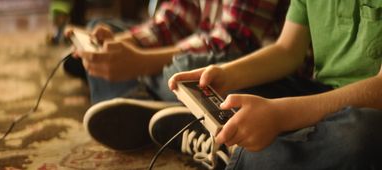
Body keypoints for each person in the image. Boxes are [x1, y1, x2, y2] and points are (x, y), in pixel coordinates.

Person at [148, 0, 382, 169]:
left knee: (362, 136)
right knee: (190, 73)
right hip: (318, 91)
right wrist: (227, 75)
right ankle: (234, 138)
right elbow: (287, 50)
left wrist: (280, 116)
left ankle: (230, 153)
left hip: (370, 108)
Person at [67, 0, 287, 152]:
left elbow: (234, 40)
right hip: (202, 51)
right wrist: (120, 45)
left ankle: (138, 98)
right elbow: (176, 18)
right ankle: (152, 105)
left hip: (250, 65)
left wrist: (139, 61)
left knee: (181, 70)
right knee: (98, 26)